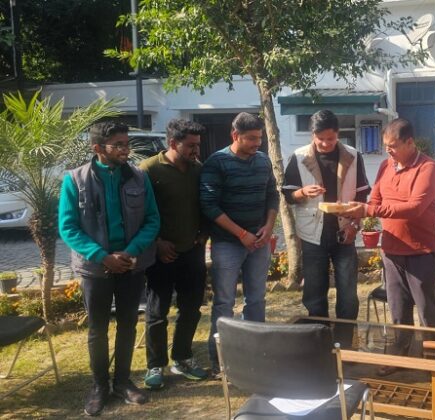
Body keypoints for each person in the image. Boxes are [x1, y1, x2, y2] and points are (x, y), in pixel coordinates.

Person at [59, 122, 160, 416]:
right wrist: (102, 256)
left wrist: (130, 252)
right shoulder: (74, 180)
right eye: (118, 145)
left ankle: (122, 382)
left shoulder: (139, 177)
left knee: (128, 324)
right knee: (98, 329)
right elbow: (68, 227)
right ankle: (99, 386)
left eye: (127, 143)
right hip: (95, 269)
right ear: (98, 148)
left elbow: (152, 220)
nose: (126, 149)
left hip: (130, 265)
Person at [338, 118, 435, 333]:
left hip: (420, 251)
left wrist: (368, 210)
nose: (388, 150)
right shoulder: (386, 166)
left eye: (393, 146)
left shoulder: (428, 168)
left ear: (410, 142)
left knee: (427, 312)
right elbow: (375, 200)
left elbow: (414, 208)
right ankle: (401, 351)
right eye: (385, 145)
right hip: (391, 251)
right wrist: (353, 210)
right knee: (398, 312)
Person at [200, 112, 279, 375]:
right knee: (224, 302)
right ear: (235, 135)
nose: (258, 143)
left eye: (260, 138)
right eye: (252, 138)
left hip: (259, 242)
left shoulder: (263, 160)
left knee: (256, 300)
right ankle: (220, 360)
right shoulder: (217, 162)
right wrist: (241, 234)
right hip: (227, 244)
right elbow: (209, 205)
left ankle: (255, 354)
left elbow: (272, 195)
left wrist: (268, 226)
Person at [139, 119, 209, 390]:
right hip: (161, 255)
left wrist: (203, 233)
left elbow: (206, 204)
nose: (196, 151)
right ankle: (155, 364)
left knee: (191, 309)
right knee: (157, 312)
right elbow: (138, 212)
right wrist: (157, 242)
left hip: (192, 252)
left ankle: (182, 357)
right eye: (190, 146)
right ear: (172, 143)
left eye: (197, 145)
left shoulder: (198, 169)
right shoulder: (148, 169)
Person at [282, 110, 370, 319]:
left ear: (338, 133)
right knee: (314, 293)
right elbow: (288, 195)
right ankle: (319, 334)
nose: (325, 143)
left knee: (348, 293)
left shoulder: (353, 156)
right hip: (313, 234)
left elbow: (362, 196)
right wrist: (303, 192)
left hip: (344, 230)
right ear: (312, 134)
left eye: (330, 138)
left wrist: (354, 225)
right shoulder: (299, 157)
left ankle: (346, 336)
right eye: (320, 138)